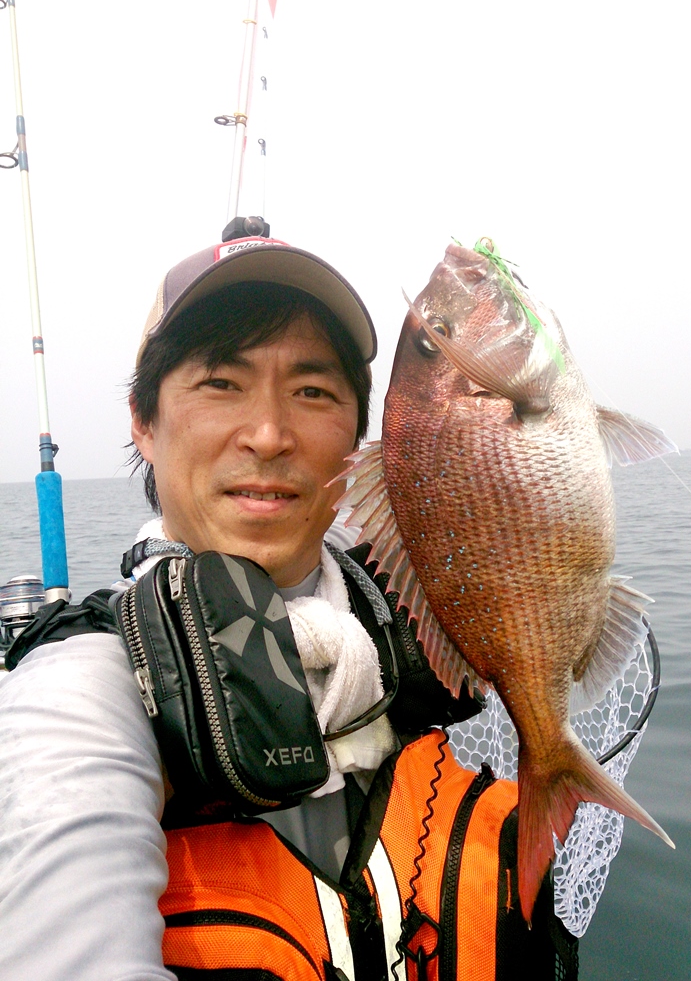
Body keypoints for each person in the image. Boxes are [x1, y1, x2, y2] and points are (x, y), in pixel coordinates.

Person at [0, 235, 579, 980]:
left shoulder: (416, 620)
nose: (270, 435)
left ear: (361, 436)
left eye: (313, 392)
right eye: (220, 382)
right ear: (143, 421)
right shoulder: (84, 689)